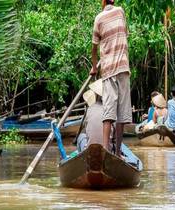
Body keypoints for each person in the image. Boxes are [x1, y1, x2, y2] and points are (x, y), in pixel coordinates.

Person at [90, 0, 132, 157]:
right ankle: (118, 151)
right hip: (122, 68)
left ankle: (106, 151)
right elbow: (123, 37)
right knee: (121, 114)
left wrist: (94, 67)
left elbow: (94, 48)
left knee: (108, 113)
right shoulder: (121, 12)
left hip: (108, 69)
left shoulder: (98, 18)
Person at [76, 79, 115, 153]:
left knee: (81, 137)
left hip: (91, 150)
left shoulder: (90, 109)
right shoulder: (112, 110)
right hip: (108, 151)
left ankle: (83, 158)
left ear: (96, 95)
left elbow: (88, 131)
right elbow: (114, 137)